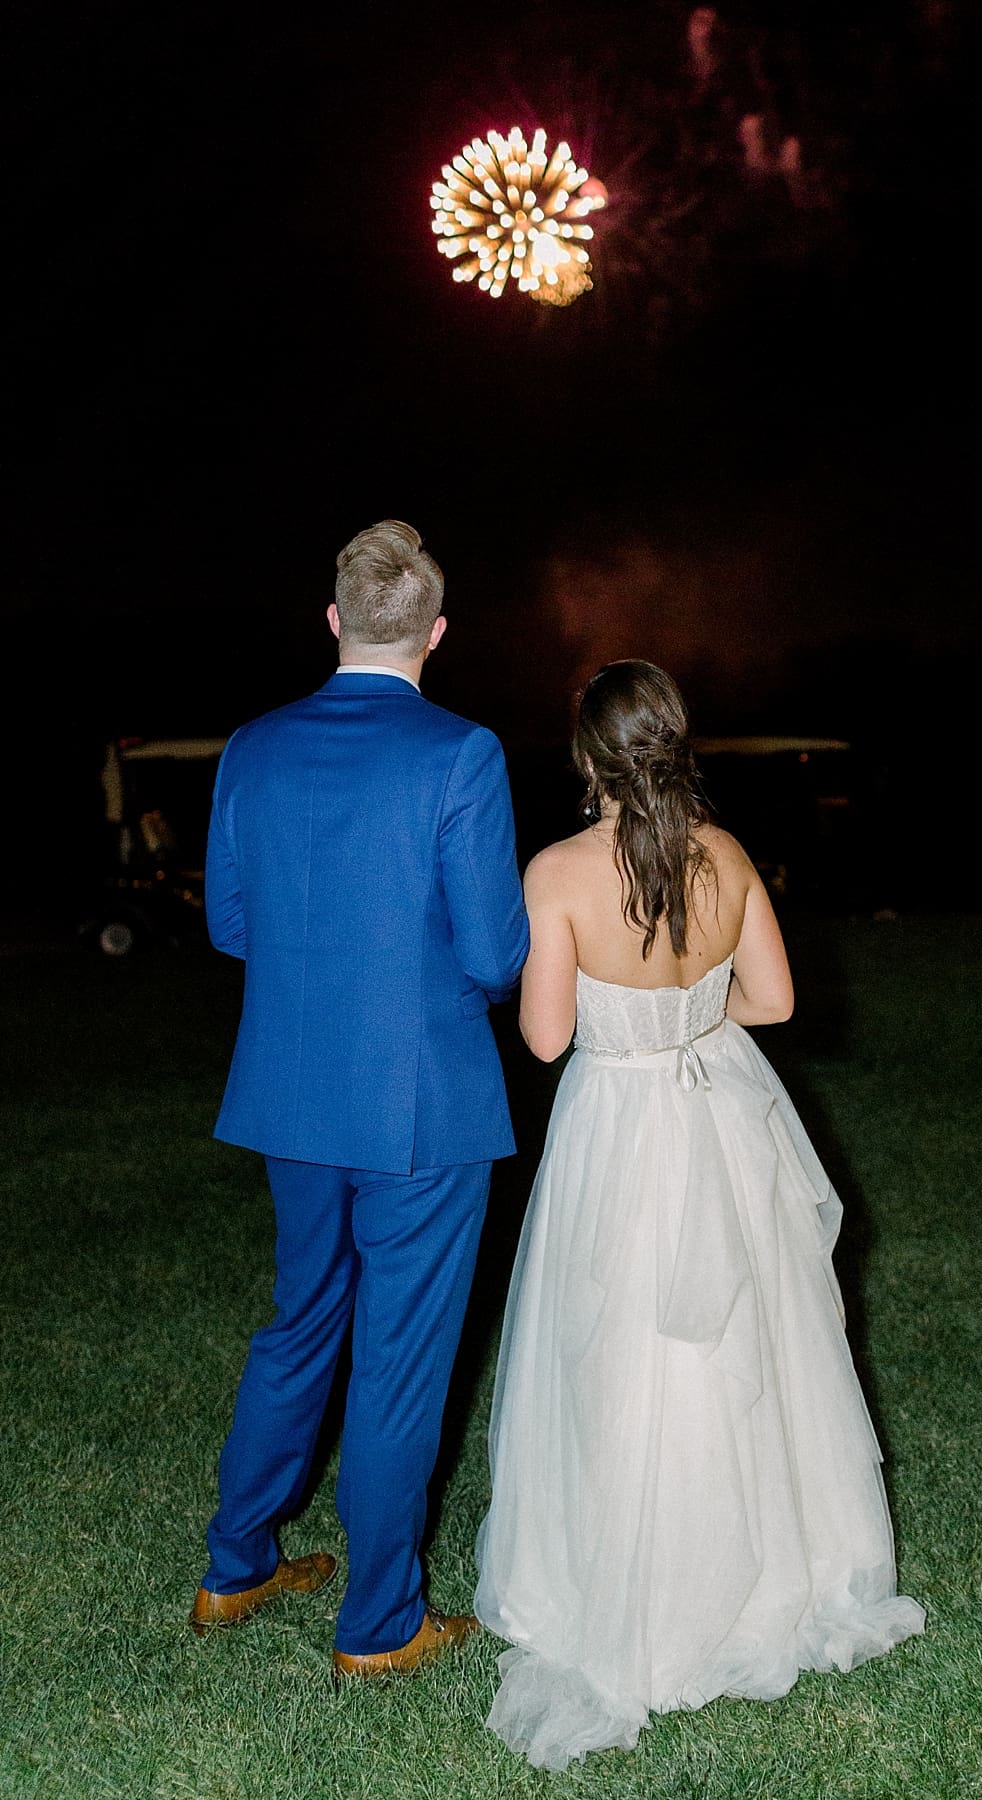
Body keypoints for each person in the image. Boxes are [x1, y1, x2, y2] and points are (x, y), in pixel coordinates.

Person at [474, 660, 924, 1769]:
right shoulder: (725, 857)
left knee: (622, 1353)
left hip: (618, 1128)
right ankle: (778, 1569)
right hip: (721, 1113)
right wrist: (691, 1012)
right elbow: (770, 1001)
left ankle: (645, 1589)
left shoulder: (560, 873)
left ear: (586, 760)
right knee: (747, 1343)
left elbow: (540, 1040)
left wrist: (619, 1016)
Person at [190, 519, 529, 1681]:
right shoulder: (463, 753)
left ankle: (236, 1565)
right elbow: (493, 957)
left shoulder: (252, 746)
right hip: (422, 1104)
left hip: (293, 1099)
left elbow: (232, 925)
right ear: (435, 634)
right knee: (397, 1356)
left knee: (300, 1324)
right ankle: (380, 1624)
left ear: (333, 622)